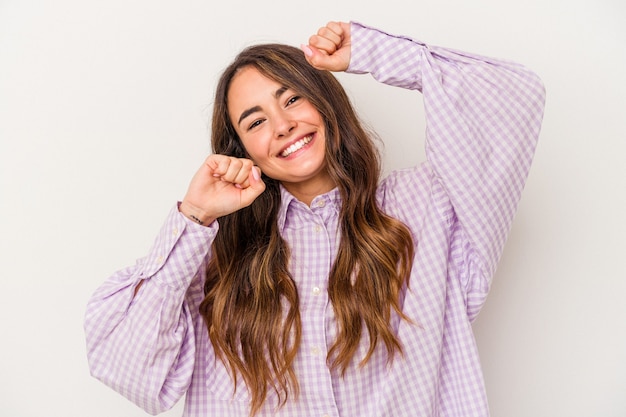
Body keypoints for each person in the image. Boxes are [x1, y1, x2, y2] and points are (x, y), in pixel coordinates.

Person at [84, 20, 545, 417]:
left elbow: (515, 99)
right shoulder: (213, 259)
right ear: (241, 149)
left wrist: (376, 52)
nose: (282, 125)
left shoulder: (426, 207)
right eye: (255, 121)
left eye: (292, 99)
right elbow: (126, 366)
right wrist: (196, 216)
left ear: (325, 102)